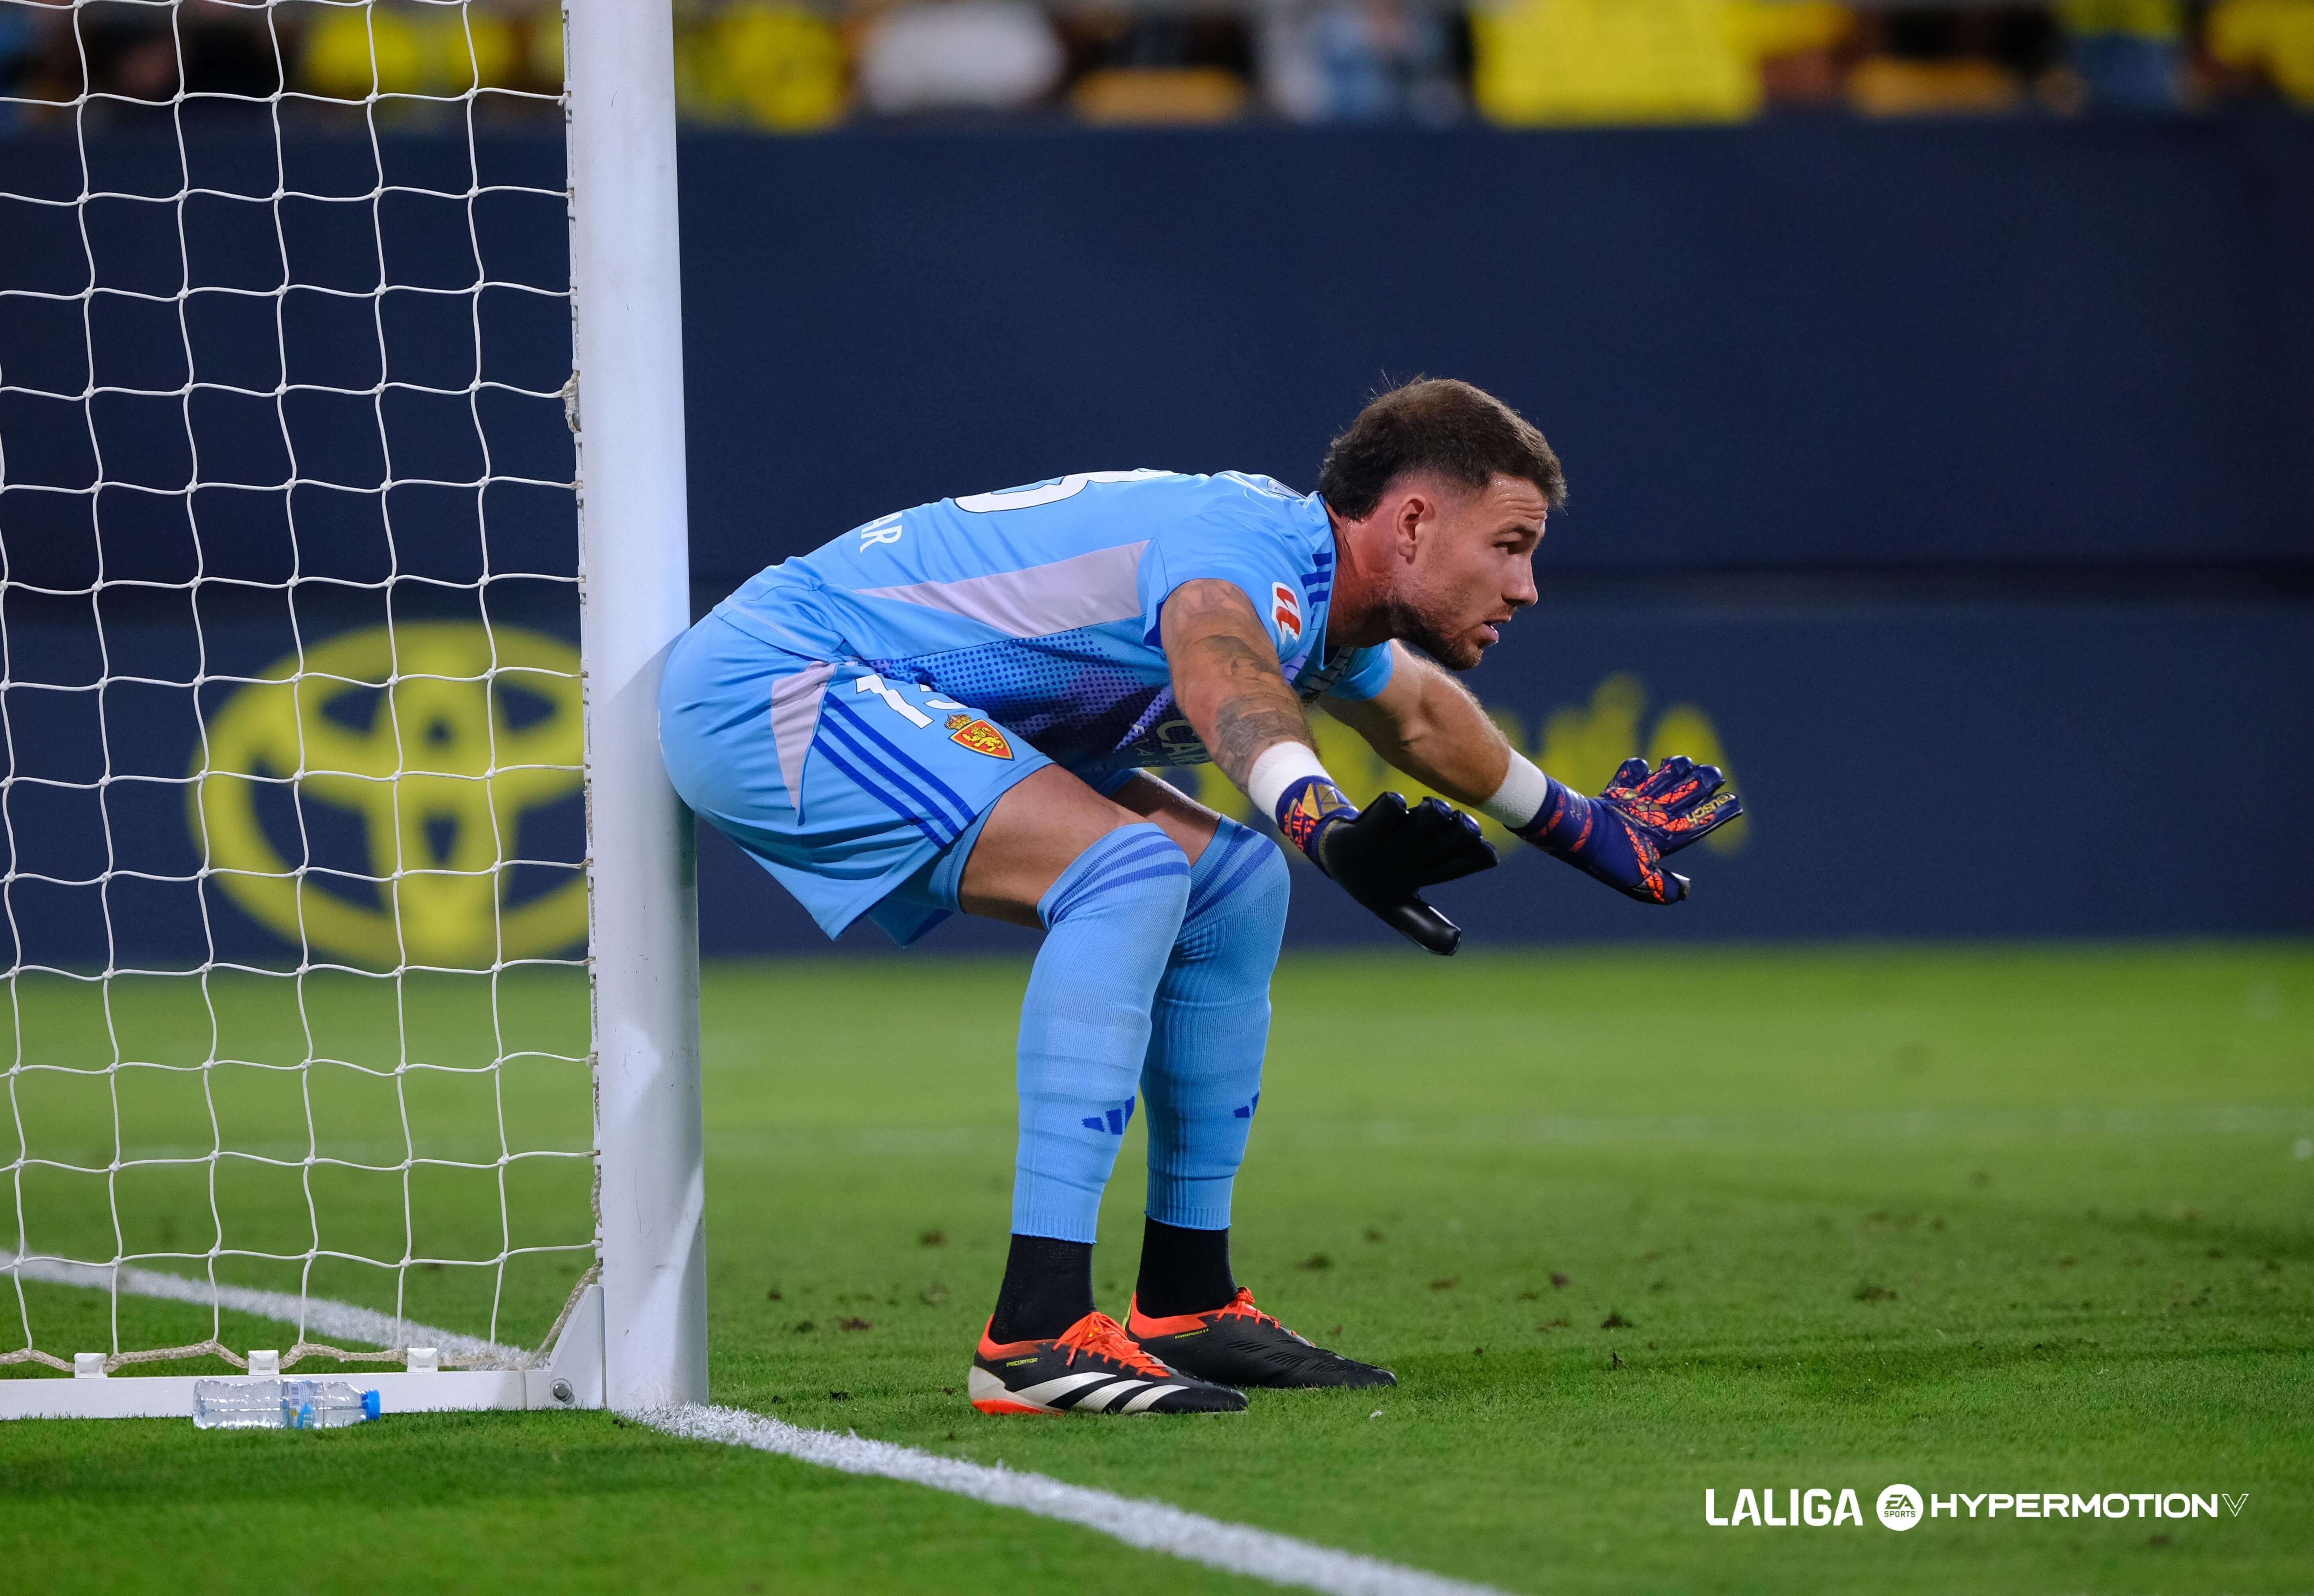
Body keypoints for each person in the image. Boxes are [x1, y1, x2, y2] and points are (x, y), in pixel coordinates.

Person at [658, 379, 1742, 1417]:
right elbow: (1222, 666)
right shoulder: (1242, 552)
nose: (1527, 586)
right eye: (1509, 546)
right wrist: (1321, 818)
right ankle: (1033, 1337)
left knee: (1230, 884)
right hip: (784, 683)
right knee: (1125, 870)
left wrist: (1580, 827)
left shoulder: (1321, 589)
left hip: (900, 688)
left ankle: (1186, 1301)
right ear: (1411, 523)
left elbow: (1416, 716)